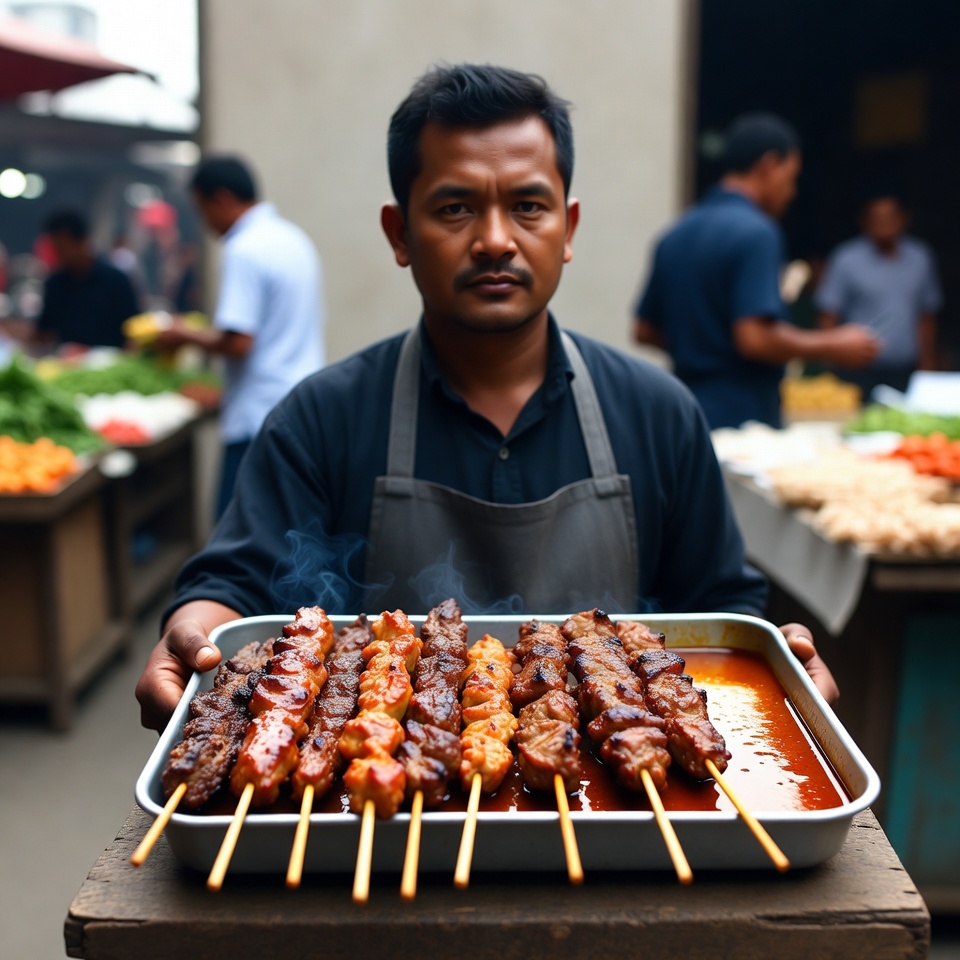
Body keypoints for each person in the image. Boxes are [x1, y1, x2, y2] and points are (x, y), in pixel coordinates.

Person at [136, 65, 837, 733]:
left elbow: (723, 610)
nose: (496, 241)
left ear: (568, 228)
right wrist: (193, 632)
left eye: (528, 206)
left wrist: (778, 665)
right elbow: (235, 589)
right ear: (400, 234)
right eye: (456, 208)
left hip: (619, 805)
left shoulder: (660, 414)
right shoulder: (320, 418)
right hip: (376, 804)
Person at [633, 113, 879, 430]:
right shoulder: (757, 232)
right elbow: (755, 339)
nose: (791, 192)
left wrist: (701, 347)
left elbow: (645, 330)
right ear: (769, 165)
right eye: (791, 177)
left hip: (682, 408)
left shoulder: (675, 234)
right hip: (742, 415)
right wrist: (833, 345)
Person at [153, 156, 326, 517]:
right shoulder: (293, 238)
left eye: (202, 210)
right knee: (290, 530)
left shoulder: (244, 247)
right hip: (302, 409)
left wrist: (183, 335)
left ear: (222, 199)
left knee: (236, 535)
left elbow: (239, 342)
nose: (205, 223)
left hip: (257, 420)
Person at [816, 187, 943, 396]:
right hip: (858, 370)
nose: (883, 223)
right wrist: (831, 364)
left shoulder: (920, 258)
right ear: (864, 220)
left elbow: (926, 315)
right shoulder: (846, 259)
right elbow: (829, 314)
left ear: (904, 218)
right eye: (876, 217)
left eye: (890, 216)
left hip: (906, 369)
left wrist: (928, 364)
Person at [33, 210, 140, 349]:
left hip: (112, 360)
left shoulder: (116, 280)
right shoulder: (54, 284)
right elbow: (43, 332)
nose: (59, 255)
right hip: (68, 360)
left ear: (82, 241)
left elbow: (134, 329)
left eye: (62, 249)